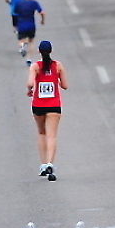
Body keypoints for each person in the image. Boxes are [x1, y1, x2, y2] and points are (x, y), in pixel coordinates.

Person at [27, 40, 68, 181]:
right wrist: (56, 80)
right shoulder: (58, 65)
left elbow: (30, 83)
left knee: (41, 133)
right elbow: (65, 85)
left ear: (39, 51)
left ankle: (43, 164)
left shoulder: (35, 66)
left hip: (38, 104)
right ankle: (50, 163)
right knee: (52, 135)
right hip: (54, 104)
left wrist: (29, 89)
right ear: (51, 51)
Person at [14, 0, 45, 64]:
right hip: (31, 25)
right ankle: (29, 59)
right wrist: (42, 20)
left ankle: (22, 46)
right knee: (31, 42)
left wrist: (15, 25)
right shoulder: (34, 2)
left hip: (21, 25)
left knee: (21, 40)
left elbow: (15, 13)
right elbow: (42, 12)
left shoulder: (18, 3)